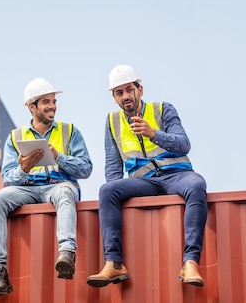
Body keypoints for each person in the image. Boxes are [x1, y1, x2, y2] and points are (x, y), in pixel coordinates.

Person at [87, 64, 208, 288]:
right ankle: (114, 263)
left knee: (197, 184)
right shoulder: (112, 122)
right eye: (119, 92)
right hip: (143, 182)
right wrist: (116, 195)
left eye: (129, 90)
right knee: (107, 190)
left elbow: (184, 144)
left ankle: (190, 262)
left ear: (140, 90)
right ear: (113, 97)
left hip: (177, 176)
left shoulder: (163, 109)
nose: (125, 96)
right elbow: (113, 166)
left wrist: (153, 133)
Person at [0, 78, 93, 299]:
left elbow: (85, 169)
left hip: (58, 185)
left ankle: (66, 254)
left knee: (65, 192)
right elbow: (7, 178)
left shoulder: (70, 131)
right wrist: (23, 169)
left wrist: (58, 157)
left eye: (53, 101)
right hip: (27, 189)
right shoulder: (15, 137)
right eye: (46, 102)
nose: (52, 106)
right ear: (32, 107)